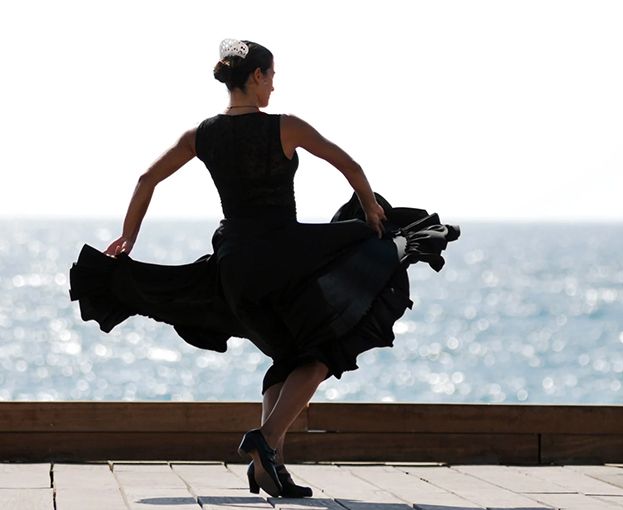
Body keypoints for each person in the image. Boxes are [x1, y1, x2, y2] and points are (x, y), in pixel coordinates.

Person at [69, 39, 459, 498]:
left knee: (289, 359)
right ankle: (266, 438)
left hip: (235, 267)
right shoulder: (285, 126)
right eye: (271, 75)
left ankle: (269, 467)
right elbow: (349, 164)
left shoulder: (201, 135)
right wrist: (372, 210)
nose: (274, 84)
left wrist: (129, 237)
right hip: (284, 258)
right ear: (256, 76)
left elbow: (146, 179)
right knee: (325, 349)